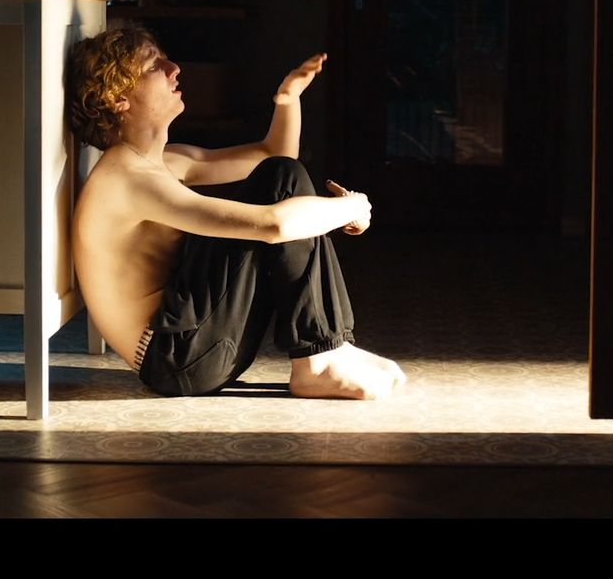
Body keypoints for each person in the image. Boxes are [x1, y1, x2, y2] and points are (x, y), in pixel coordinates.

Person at [68, 26, 407, 399]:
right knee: (279, 198)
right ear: (118, 98)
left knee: (280, 176)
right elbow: (273, 225)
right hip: (176, 359)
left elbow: (274, 157)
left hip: (191, 343)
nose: (173, 68)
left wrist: (287, 98)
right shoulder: (126, 179)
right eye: (153, 65)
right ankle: (320, 361)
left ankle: (330, 350)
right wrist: (353, 206)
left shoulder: (163, 161)